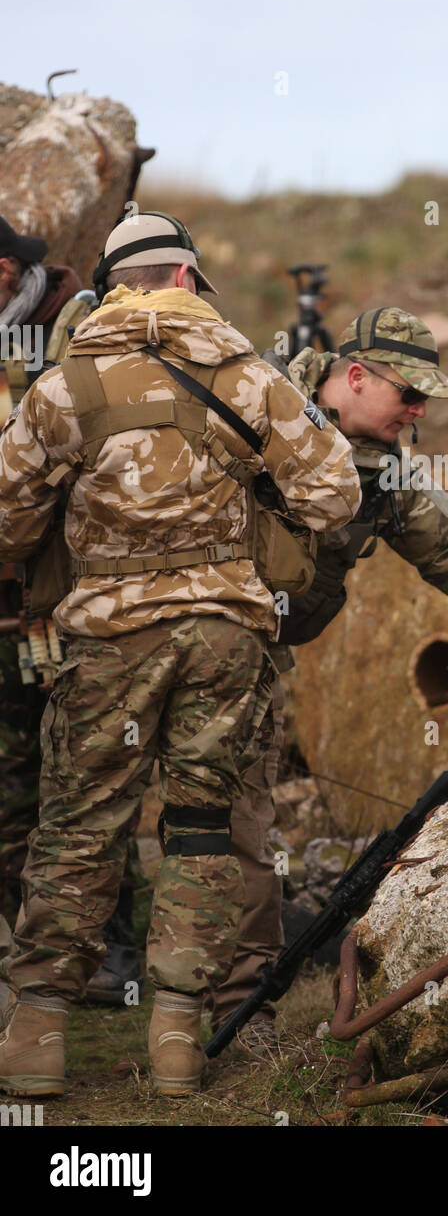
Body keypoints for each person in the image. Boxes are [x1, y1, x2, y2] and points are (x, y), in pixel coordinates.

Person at [0, 212, 361, 1097]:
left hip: (107, 639)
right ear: (188, 279)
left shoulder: (63, 384)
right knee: (200, 831)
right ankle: (177, 1041)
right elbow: (336, 494)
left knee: (81, 828)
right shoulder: (250, 375)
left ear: (115, 286)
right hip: (226, 634)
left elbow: (5, 515)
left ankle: (38, 1035)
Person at [211, 307, 448, 1053]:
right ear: (355, 377)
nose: (420, 412)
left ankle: (240, 1010)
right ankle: (59, 998)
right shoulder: (247, 408)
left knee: (242, 831)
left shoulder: (386, 474)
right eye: (410, 395)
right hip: (161, 635)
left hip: (257, 658)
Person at [0, 213, 142, 995]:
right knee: (14, 797)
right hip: (9, 600)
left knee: (84, 788)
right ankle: (39, 959)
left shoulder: (77, 327)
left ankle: (110, 955)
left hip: (68, 602)